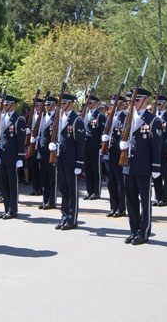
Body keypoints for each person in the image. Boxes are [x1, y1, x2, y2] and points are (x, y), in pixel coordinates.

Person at [119, 87, 162, 245]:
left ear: (145, 101)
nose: (133, 103)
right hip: (128, 165)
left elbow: (156, 146)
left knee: (144, 201)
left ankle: (143, 232)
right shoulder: (128, 118)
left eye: (136, 100)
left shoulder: (153, 120)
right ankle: (133, 230)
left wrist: (156, 167)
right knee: (130, 200)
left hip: (144, 166)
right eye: (131, 100)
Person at [51, 93, 85, 230]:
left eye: (64, 103)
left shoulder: (77, 120)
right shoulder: (59, 119)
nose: (61, 106)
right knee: (63, 190)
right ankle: (64, 217)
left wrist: (79, 163)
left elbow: (80, 144)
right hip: (61, 160)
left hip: (72, 161)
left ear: (70, 103)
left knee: (72, 191)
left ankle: (72, 219)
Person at [0, 94, 26, 220]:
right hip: (1, 156)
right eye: (4, 104)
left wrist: (20, 158)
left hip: (12, 157)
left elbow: (20, 140)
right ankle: (6, 208)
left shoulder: (18, 120)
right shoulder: (1, 118)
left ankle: (13, 209)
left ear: (13, 105)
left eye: (6, 104)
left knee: (12, 184)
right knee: (3, 184)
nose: (4, 106)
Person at [101, 94, 128, 217]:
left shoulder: (125, 117)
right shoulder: (109, 117)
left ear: (122, 105)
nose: (114, 107)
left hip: (118, 154)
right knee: (110, 182)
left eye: (116, 104)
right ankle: (113, 207)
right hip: (108, 154)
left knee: (119, 182)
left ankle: (121, 208)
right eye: (112, 104)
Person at [34, 95, 58, 210]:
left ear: (54, 105)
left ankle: (52, 201)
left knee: (52, 178)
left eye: (49, 105)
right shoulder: (42, 116)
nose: (46, 107)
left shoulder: (57, 118)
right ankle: (45, 200)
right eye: (46, 105)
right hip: (42, 151)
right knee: (44, 178)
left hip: (51, 152)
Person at [83, 94, 106, 200]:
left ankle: (96, 192)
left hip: (95, 145)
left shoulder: (99, 116)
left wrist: (101, 147)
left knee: (95, 169)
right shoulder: (84, 115)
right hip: (85, 145)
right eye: (87, 103)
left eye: (90, 103)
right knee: (88, 169)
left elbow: (103, 131)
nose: (88, 105)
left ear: (96, 104)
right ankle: (89, 191)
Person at [152, 95, 167, 207]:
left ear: (165, 104)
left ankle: (165, 198)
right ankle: (158, 196)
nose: (157, 106)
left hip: (165, 152)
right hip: (156, 152)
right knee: (156, 176)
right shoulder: (153, 118)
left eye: (159, 104)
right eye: (156, 104)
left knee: (166, 176)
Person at [26, 98, 43, 196]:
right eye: (35, 105)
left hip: (39, 143)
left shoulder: (43, 116)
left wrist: (37, 138)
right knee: (34, 167)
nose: (36, 107)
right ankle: (35, 188)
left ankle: (40, 188)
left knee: (40, 168)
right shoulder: (31, 116)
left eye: (38, 105)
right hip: (32, 144)